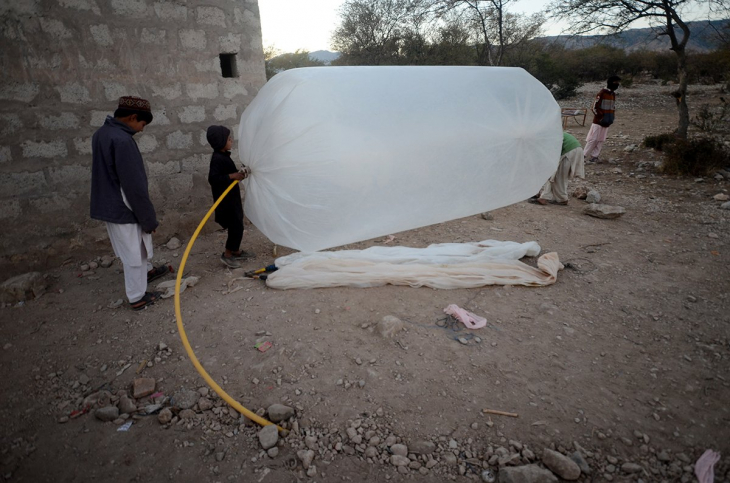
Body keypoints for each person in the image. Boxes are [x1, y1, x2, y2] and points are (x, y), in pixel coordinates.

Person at [90, 96, 168, 310]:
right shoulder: (123, 140)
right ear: (133, 117)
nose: (142, 130)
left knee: (132, 249)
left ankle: (148, 272)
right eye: (142, 124)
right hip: (124, 207)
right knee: (136, 252)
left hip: (109, 205)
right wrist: (148, 219)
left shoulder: (102, 134)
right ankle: (137, 297)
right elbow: (133, 187)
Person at [206, 125, 255, 269]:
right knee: (236, 225)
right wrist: (233, 175)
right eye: (228, 138)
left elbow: (231, 175)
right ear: (221, 141)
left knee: (238, 223)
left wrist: (240, 173)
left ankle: (236, 250)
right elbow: (214, 179)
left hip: (232, 198)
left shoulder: (224, 156)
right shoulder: (217, 159)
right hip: (226, 201)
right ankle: (228, 254)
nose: (231, 140)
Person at [530, 132, 584, 206]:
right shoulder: (551, 133)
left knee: (553, 175)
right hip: (576, 149)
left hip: (568, 151)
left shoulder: (546, 139)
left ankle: (544, 198)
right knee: (560, 176)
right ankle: (562, 199)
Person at [584, 75, 621, 163]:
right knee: (593, 139)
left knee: (601, 139)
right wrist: (601, 117)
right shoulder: (602, 93)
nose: (617, 84)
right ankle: (583, 155)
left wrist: (611, 117)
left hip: (607, 121)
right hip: (598, 121)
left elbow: (612, 107)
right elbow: (594, 107)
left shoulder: (613, 94)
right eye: (615, 82)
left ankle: (594, 156)